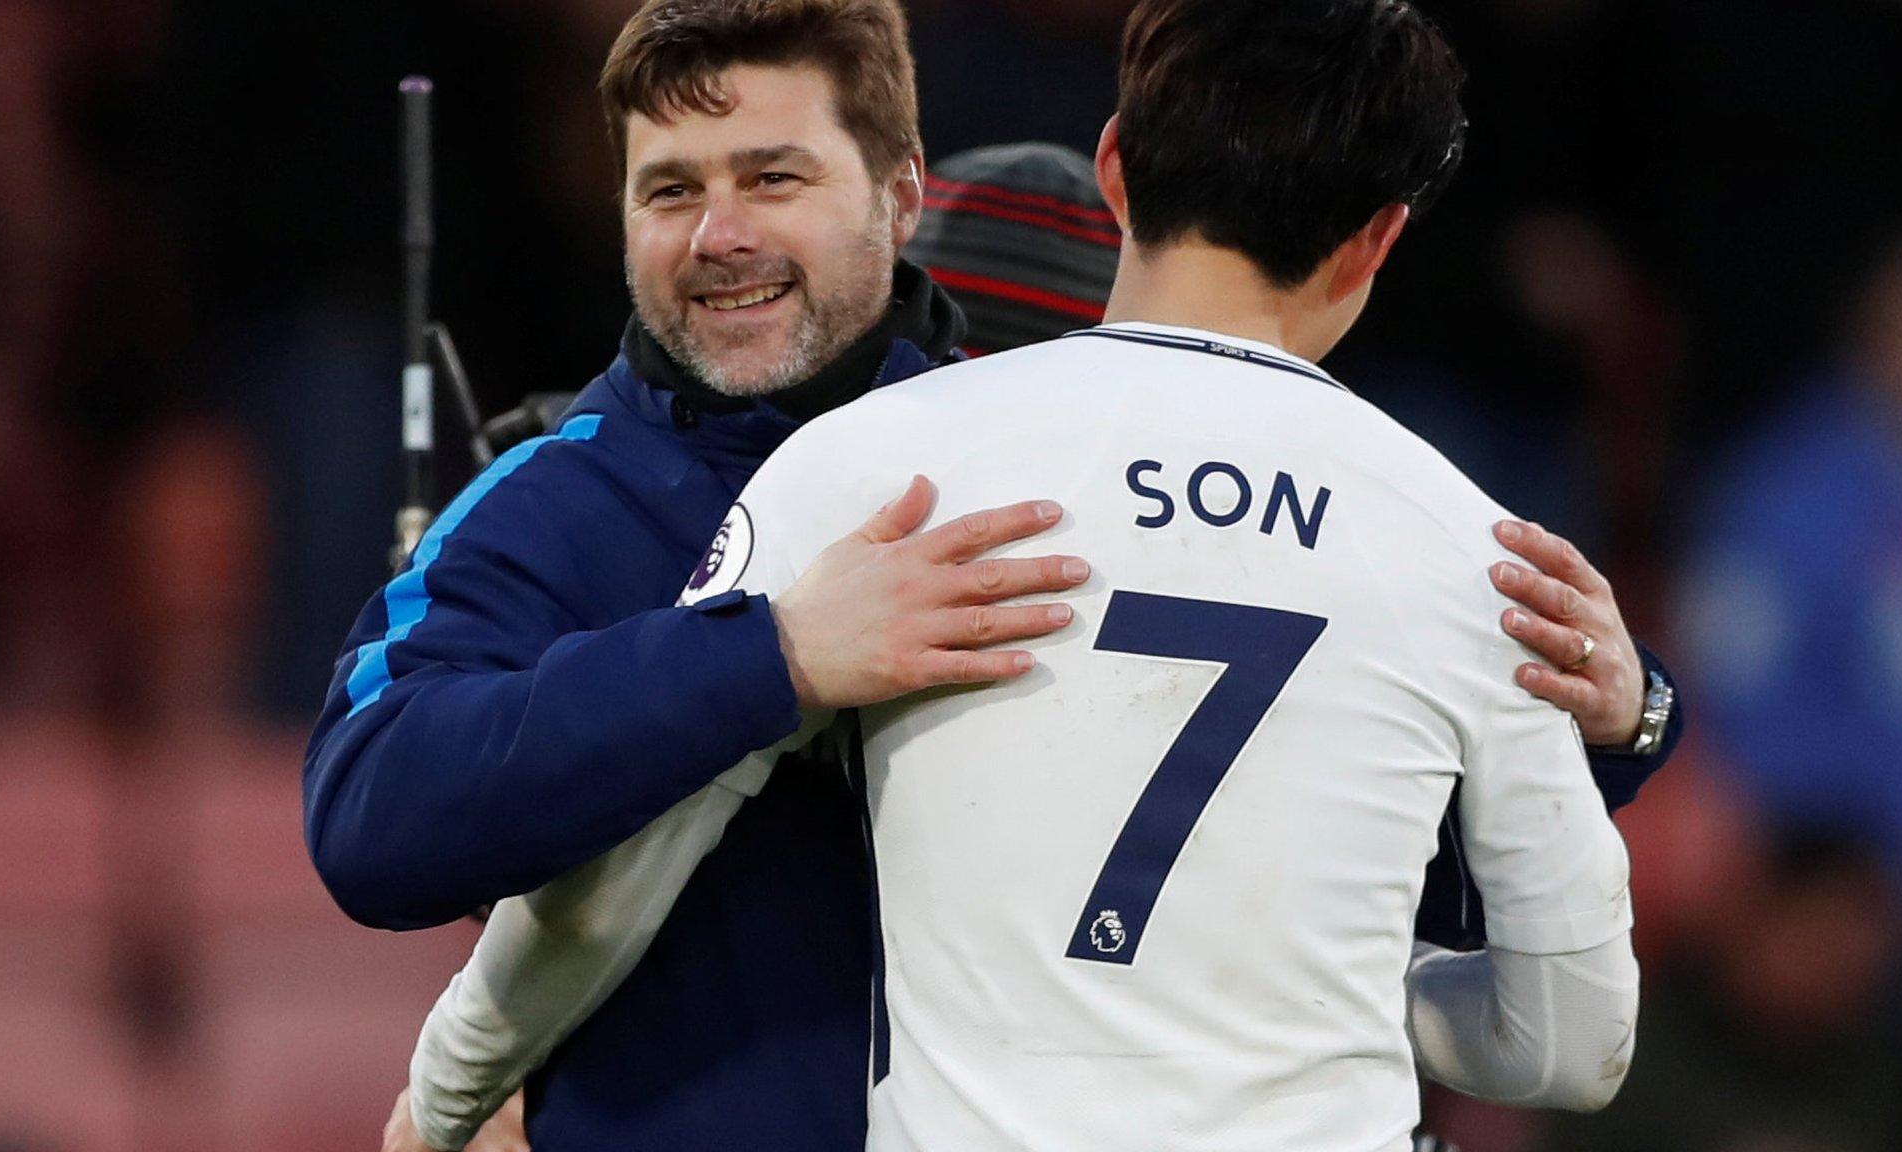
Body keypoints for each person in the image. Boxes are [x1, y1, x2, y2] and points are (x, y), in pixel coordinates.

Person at [395, 2, 1647, 1150]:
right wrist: (1321, 990)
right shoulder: (1481, 551)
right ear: (1377, 235)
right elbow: (1571, 1040)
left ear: (1111, 167)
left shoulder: (875, 472)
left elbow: (610, 891)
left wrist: (446, 1094)